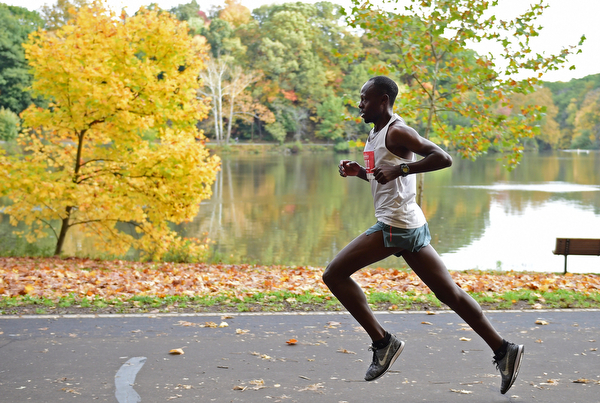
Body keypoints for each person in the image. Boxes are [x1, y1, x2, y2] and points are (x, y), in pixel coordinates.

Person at [322, 76, 524, 394]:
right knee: (450, 294)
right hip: (410, 223)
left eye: (365, 98)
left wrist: (403, 169)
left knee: (334, 275)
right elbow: (384, 178)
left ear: (384, 100)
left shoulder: (398, 130)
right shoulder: (375, 134)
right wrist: (361, 173)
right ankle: (504, 349)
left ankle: (383, 342)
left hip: (396, 225)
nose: (359, 104)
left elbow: (443, 158)